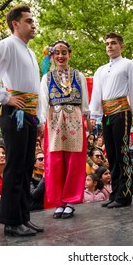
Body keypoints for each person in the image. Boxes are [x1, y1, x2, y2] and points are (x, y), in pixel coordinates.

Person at [0, 5, 43, 236]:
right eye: (28, 21)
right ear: (15, 24)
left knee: (26, 167)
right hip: (14, 113)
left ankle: (23, 217)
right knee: (15, 167)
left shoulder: (30, 52)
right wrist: (4, 97)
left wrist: (40, 117)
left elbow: (35, 90)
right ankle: (11, 221)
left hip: (29, 112)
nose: (32, 25)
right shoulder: (6, 45)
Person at [89, 32, 133, 208]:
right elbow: (97, 94)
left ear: (121, 46)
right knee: (112, 155)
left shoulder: (129, 65)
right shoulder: (100, 70)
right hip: (107, 114)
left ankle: (125, 194)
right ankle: (115, 192)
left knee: (122, 153)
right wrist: (94, 115)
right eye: (107, 43)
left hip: (122, 111)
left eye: (113, 43)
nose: (109, 46)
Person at [39, 39, 90, 219]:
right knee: (55, 161)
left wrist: (87, 119)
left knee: (74, 161)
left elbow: (84, 102)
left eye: (64, 52)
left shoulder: (79, 76)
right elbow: (43, 102)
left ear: (69, 54)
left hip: (75, 118)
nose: (60, 56)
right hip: (54, 119)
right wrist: (42, 123)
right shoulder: (47, 77)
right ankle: (58, 201)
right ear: (52, 55)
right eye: (57, 53)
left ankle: (70, 200)